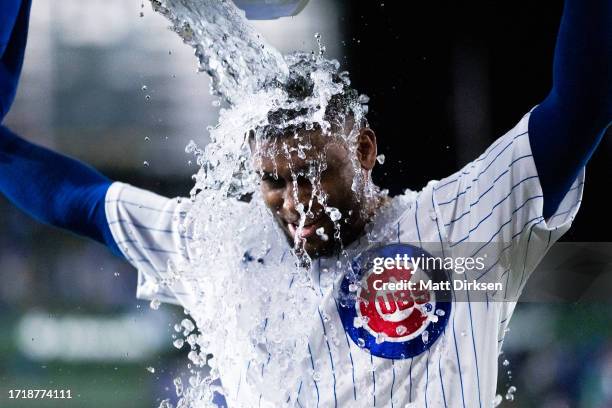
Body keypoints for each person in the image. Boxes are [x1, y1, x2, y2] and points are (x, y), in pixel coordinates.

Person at [1, 0, 610, 406]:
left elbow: (582, 105)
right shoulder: (224, 246)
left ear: (365, 149)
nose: (298, 201)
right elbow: (78, 201)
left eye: (317, 172)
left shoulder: (459, 228)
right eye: (274, 179)